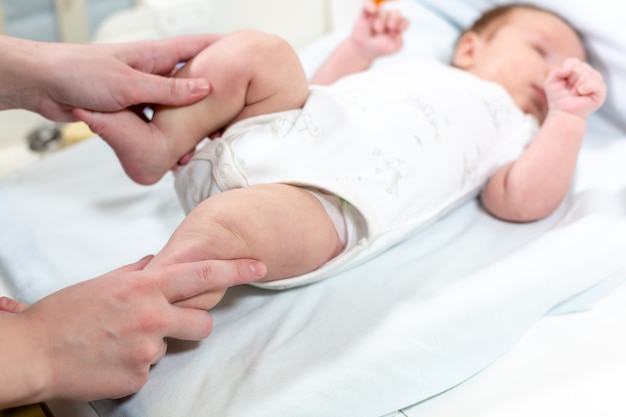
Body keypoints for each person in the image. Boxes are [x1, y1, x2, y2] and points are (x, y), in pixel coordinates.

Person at [78, 1, 606, 307]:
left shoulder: (516, 129)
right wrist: (360, 51)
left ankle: (142, 304)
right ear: (470, 48)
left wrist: (566, 117)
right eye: (540, 51)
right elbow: (317, 96)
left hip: (326, 203)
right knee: (261, 52)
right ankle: (161, 143)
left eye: (572, 68)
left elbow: (521, 200)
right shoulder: (420, 69)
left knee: (227, 228)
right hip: (283, 128)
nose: (553, 72)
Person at [0, 33, 268, 409]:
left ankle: (162, 142)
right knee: (226, 224)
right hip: (312, 193)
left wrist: (36, 71)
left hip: (330, 157)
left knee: (258, 51)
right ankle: (159, 288)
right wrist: (40, 344)